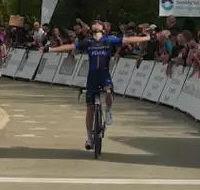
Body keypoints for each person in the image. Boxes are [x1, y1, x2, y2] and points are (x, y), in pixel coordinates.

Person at [43, 22, 155, 150]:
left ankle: (108, 111)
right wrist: (51, 49)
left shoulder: (109, 40)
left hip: (104, 75)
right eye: (94, 24)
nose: (96, 24)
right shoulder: (88, 42)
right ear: (92, 30)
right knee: (90, 108)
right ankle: (89, 138)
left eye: (98, 23)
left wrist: (146, 38)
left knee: (108, 91)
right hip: (92, 77)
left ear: (103, 29)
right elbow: (70, 46)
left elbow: (128, 39)